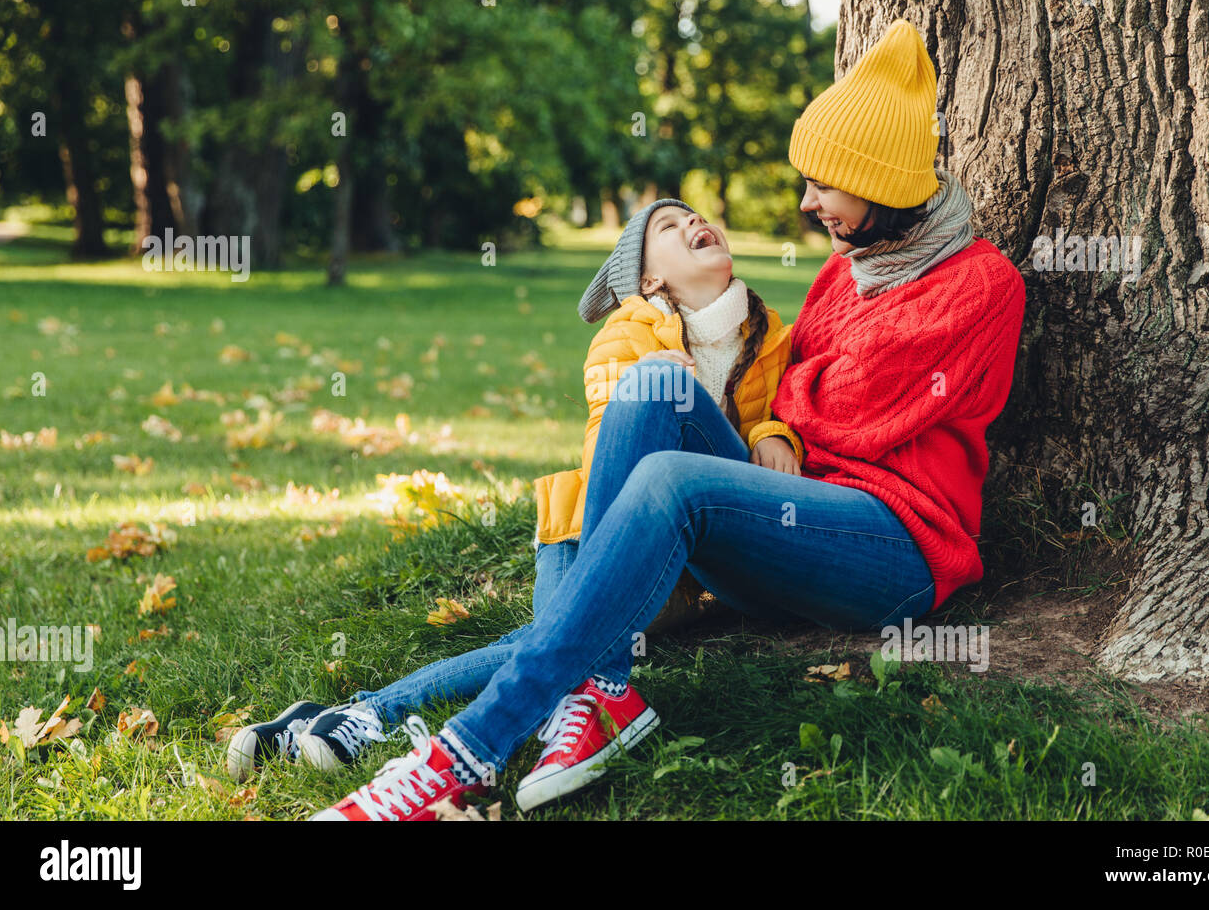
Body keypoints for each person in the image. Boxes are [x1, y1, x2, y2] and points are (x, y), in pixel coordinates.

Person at [306, 18, 1026, 821]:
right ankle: (599, 689)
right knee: (651, 387)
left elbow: (853, 413)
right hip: (783, 524)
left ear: (881, 180)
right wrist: (779, 428)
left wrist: (785, 416)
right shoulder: (844, 271)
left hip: (893, 548)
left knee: (667, 489)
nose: (805, 201)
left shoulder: (981, 285)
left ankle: (462, 753)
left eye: (823, 183)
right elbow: (805, 391)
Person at [225, 201, 801, 782]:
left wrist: (776, 434)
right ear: (648, 279)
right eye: (669, 229)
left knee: (559, 640)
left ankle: (354, 714)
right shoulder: (626, 336)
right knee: (563, 641)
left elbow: (776, 413)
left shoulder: (772, 336)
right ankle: (370, 713)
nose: (693, 225)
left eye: (696, 217)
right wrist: (652, 384)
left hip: (684, 557)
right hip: (589, 531)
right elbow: (611, 444)